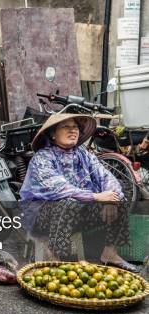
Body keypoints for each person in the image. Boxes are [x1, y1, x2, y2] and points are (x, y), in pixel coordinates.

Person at [20, 113, 139, 273]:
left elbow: (105, 176)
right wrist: (96, 197)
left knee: (119, 198)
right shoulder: (42, 158)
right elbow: (57, 188)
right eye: (66, 127)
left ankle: (110, 253)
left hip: (78, 211)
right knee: (68, 202)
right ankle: (56, 257)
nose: (73, 130)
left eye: (75, 127)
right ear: (53, 134)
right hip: (43, 215)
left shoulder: (83, 154)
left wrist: (110, 198)